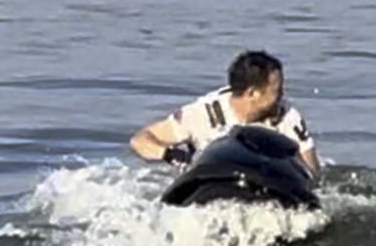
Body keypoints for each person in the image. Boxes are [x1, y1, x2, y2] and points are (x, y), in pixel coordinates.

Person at [130, 50, 317, 174]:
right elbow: (140, 140)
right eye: (276, 91)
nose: (282, 95)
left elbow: (312, 172)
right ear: (252, 93)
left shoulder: (288, 117)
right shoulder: (204, 113)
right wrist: (170, 155)